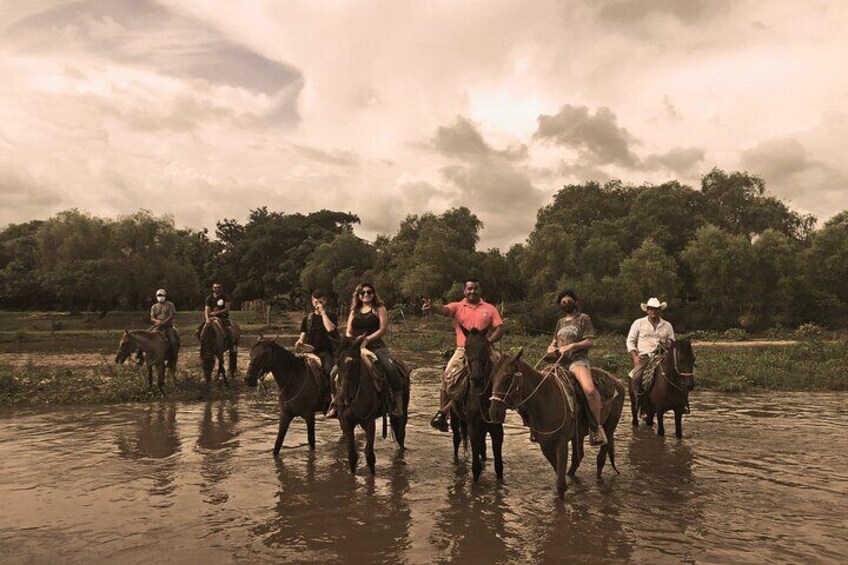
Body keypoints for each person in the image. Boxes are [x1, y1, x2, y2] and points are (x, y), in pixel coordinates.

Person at [423, 279, 504, 432]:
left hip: (486, 349)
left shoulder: (490, 308)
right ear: (464, 291)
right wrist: (432, 307)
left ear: (480, 290)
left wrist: (488, 342)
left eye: (475, 289)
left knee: (505, 372)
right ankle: (443, 415)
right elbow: (444, 310)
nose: (472, 292)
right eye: (469, 289)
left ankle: (516, 409)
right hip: (463, 349)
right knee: (448, 375)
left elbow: (499, 329)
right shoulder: (457, 306)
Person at [329, 282, 404, 418]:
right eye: (362, 293)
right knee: (334, 371)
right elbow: (348, 331)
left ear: (373, 294)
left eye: (369, 292)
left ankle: (397, 404)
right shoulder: (354, 311)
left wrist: (367, 339)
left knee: (391, 368)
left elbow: (383, 329)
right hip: (354, 347)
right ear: (358, 295)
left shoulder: (379, 308)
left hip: (375, 345)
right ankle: (335, 403)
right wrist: (352, 342)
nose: (366, 295)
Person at [546, 289, 606, 446]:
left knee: (589, 390)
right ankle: (538, 427)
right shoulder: (560, 322)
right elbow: (554, 341)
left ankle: (595, 428)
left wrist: (572, 345)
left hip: (577, 361)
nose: (566, 304)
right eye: (563, 302)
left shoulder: (583, 318)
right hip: (558, 362)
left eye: (568, 301)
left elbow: (590, 341)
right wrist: (551, 347)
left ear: (575, 302)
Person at [626, 297, 676, 415]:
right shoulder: (638, 323)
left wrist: (666, 344)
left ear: (659, 310)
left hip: (663, 356)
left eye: (655, 309)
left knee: (680, 375)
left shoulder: (667, 325)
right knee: (637, 377)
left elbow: (672, 340)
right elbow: (630, 341)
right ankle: (639, 402)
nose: (653, 311)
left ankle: (681, 403)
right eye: (650, 309)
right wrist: (635, 356)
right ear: (647, 310)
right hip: (645, 356)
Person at [294, 288, 338, 381]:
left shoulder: (331, 316)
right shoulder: (307, 319)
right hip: (310, 352)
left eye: (320, 302)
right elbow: (302, 336)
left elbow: (330, 329)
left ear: (325, 301)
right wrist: (299, 342)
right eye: (315, 302)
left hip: (326, 352)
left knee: (329, 372)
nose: (317, 304)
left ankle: (331, 394)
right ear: (312, 301)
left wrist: (322, 313)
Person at [204, 282, 233, 349]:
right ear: (212, 288)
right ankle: (203, 344)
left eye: (218, 287)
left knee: (229, 330)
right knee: (199, 331)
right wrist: (207, 319)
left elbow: (227, 309)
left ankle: (232, 345)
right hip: (211, 317)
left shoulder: (225, 297)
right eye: (215, 287)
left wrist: (217, 313)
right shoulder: (209, 298)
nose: (217, 289)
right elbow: (206, 309)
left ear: (221, 288)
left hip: (223, 317)